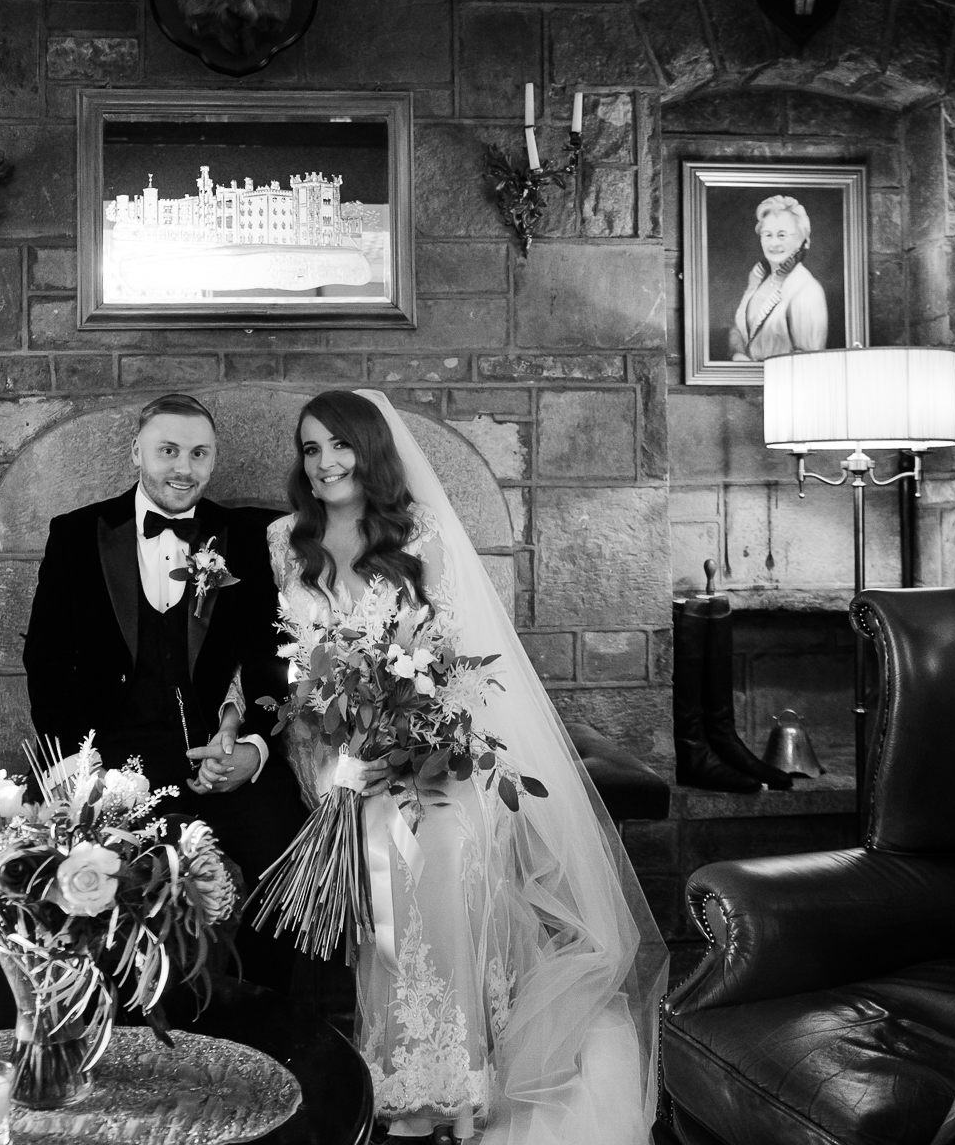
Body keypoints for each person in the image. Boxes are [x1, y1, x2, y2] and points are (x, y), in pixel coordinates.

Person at [268, 390, 665, 1144]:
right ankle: (391, 1078)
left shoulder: (423, 536)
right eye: (311, 449)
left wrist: (402, 734)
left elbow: (453, 671)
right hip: (328, 757)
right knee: (377, 844)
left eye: (339, 446)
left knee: (433, 849)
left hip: (428, 756)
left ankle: (451, 1085)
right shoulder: (284, 541)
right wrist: (331, 753)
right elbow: (284, 667)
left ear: (372, 451)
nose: (324, 463)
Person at [21, 392, 308, 991]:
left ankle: (267, 1020)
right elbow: (47, 661)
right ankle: (119, 1019)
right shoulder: (77, 535)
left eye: (199, 453)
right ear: (136, 453)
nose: (184, 467)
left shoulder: (247, 537)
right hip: (111, 759)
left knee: (278, 832)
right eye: (169, 450)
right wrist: (77, 767)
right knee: (91, 872)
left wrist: (253, 745)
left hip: (213, 753)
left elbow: (270, 653)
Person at [728, 194, 828, 362]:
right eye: (767, 235)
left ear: (802, 240)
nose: (773, 243)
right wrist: (738, 355)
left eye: (782, 235)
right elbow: (741, 329)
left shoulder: (806, 290)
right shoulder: (758, 277)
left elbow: (808, 361)